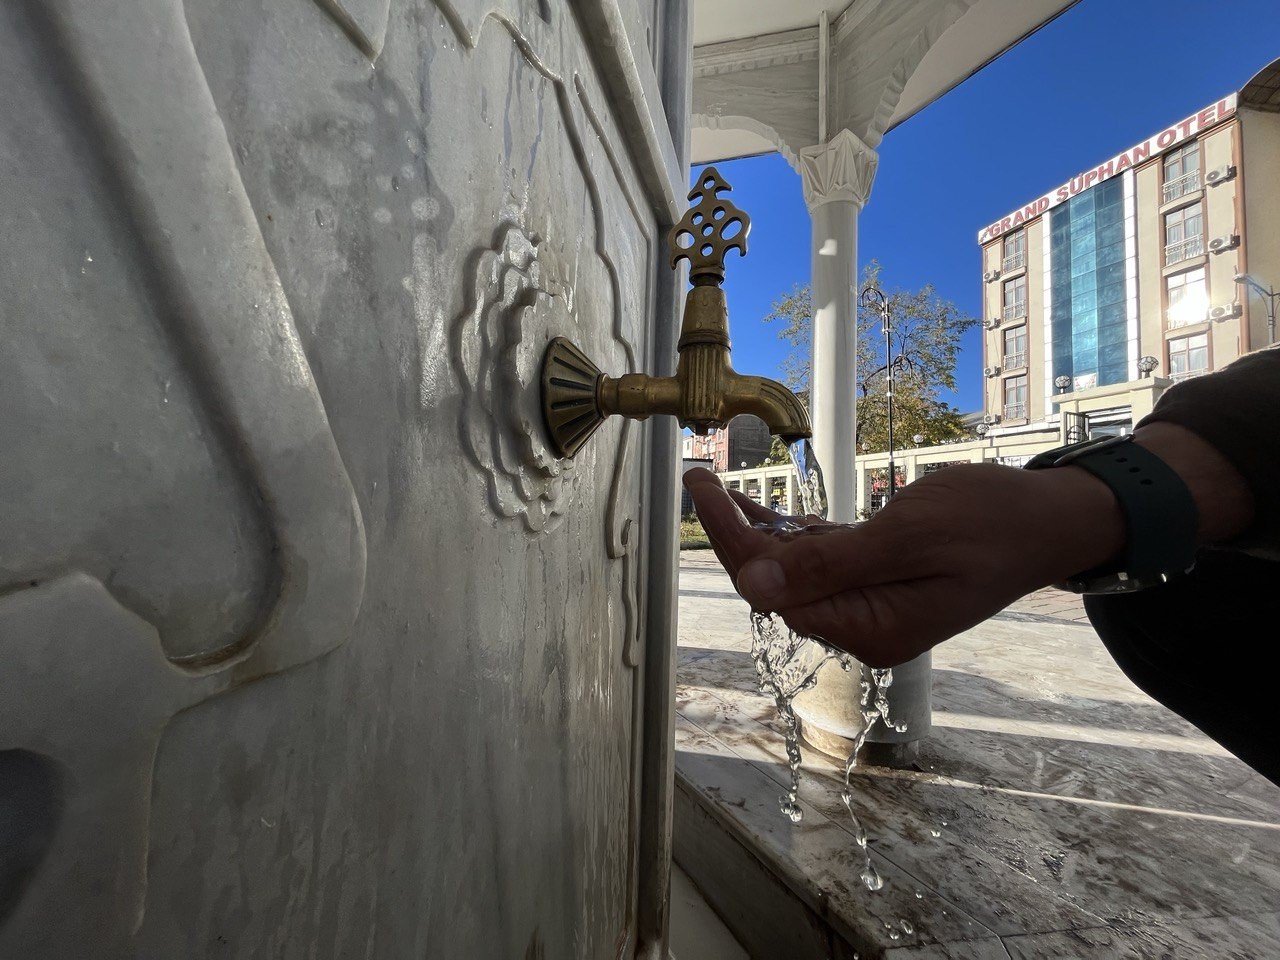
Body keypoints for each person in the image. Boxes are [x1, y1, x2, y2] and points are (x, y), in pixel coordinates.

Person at [685, 346, 1280, 785]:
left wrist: (1083, 505)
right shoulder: (1162, 593)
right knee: (1159, 596)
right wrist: (1098, 506)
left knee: (1168, 593)